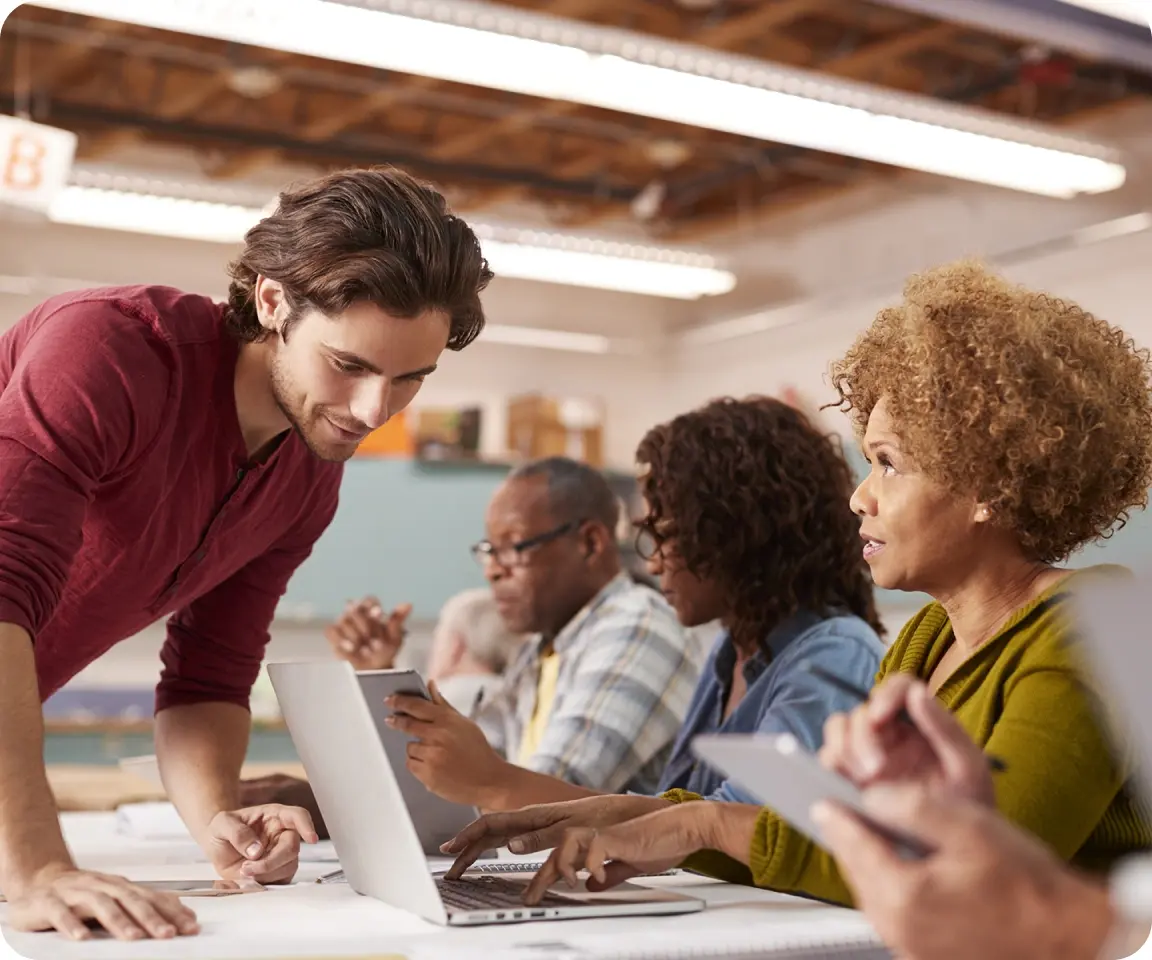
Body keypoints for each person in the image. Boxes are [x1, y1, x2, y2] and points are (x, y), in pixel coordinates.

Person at [454, 260, 1152, 907]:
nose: (860, 496)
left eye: (888, 463)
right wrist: (633, 815)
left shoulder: (1091, 630)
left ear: (990, 486)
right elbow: (834, 835)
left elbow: (979, 874)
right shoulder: (926, 640)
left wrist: (703, 825)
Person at [0, 165, 492, 940]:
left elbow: (208, 675)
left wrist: (219, 824)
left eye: (409, 379)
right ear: (272, 301)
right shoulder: (109, 353)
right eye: (351, 365)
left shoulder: (306, 477)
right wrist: (35, 867)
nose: (374, 411)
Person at [438, 395, 887, 860]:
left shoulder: (834, 654)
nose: (652, 564)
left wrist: (495, 783)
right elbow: (682, 816)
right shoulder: (729, 653)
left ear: (737, 531)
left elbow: (744, 830)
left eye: (667, 535)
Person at [383, 455, 699, 808]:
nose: (492, 570)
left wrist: (469, 777)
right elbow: (474, 770)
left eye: (514, 547)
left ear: (590, 543)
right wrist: (383, 676)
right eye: (489, 550)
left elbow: (549, 801)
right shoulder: (541, 648)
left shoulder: (636, 626)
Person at [325, 587, 525, 712]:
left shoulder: (451, 698)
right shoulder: (517, 700)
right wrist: (378, 667)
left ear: (457, 646)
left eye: (438, 638)